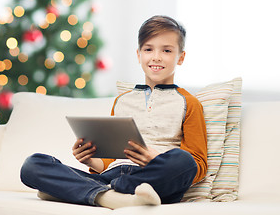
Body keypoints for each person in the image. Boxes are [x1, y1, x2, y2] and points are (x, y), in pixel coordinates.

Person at [20, 15, 208, 209]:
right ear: (138, 55)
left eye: (167, 50)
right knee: (33, 165)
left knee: (184, 161)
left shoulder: (189, 102)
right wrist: (91, 160)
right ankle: (112, 196)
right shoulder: (122, 101)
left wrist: (155, 158)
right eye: (148, 49)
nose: (156, 57)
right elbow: (110, 159)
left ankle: (84, 192)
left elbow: (198, 164)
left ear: (181, 57)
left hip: (152, 179)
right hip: (111, 176)